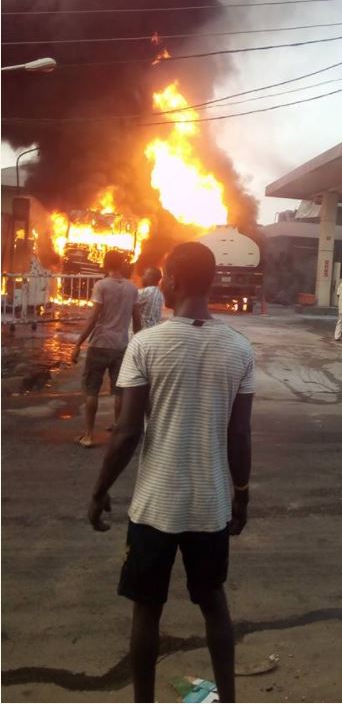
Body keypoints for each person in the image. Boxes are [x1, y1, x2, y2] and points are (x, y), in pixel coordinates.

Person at [88, 242, 254, 703]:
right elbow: (239, 437)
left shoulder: (145, 344)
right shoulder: (239, 349)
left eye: (163, 277)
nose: (159, 283)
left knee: (147, 613)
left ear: (173, 283)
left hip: (155, 506)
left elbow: (125, 434)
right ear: (213, 282)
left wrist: (99, 491)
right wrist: (241, 494)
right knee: (213, 603)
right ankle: (229, 698)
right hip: (211, 505)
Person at [72, 250, 141, 448]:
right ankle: (117, 436)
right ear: (121, 264)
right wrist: (139, 345)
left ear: (105, 264)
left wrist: (78, 343)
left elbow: (94, 317)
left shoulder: (101, 286)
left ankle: (89, 435)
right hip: (121, 346)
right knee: (118, 392)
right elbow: (137, 321)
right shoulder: (132, 288)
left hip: (100, 344)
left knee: (91, 389)